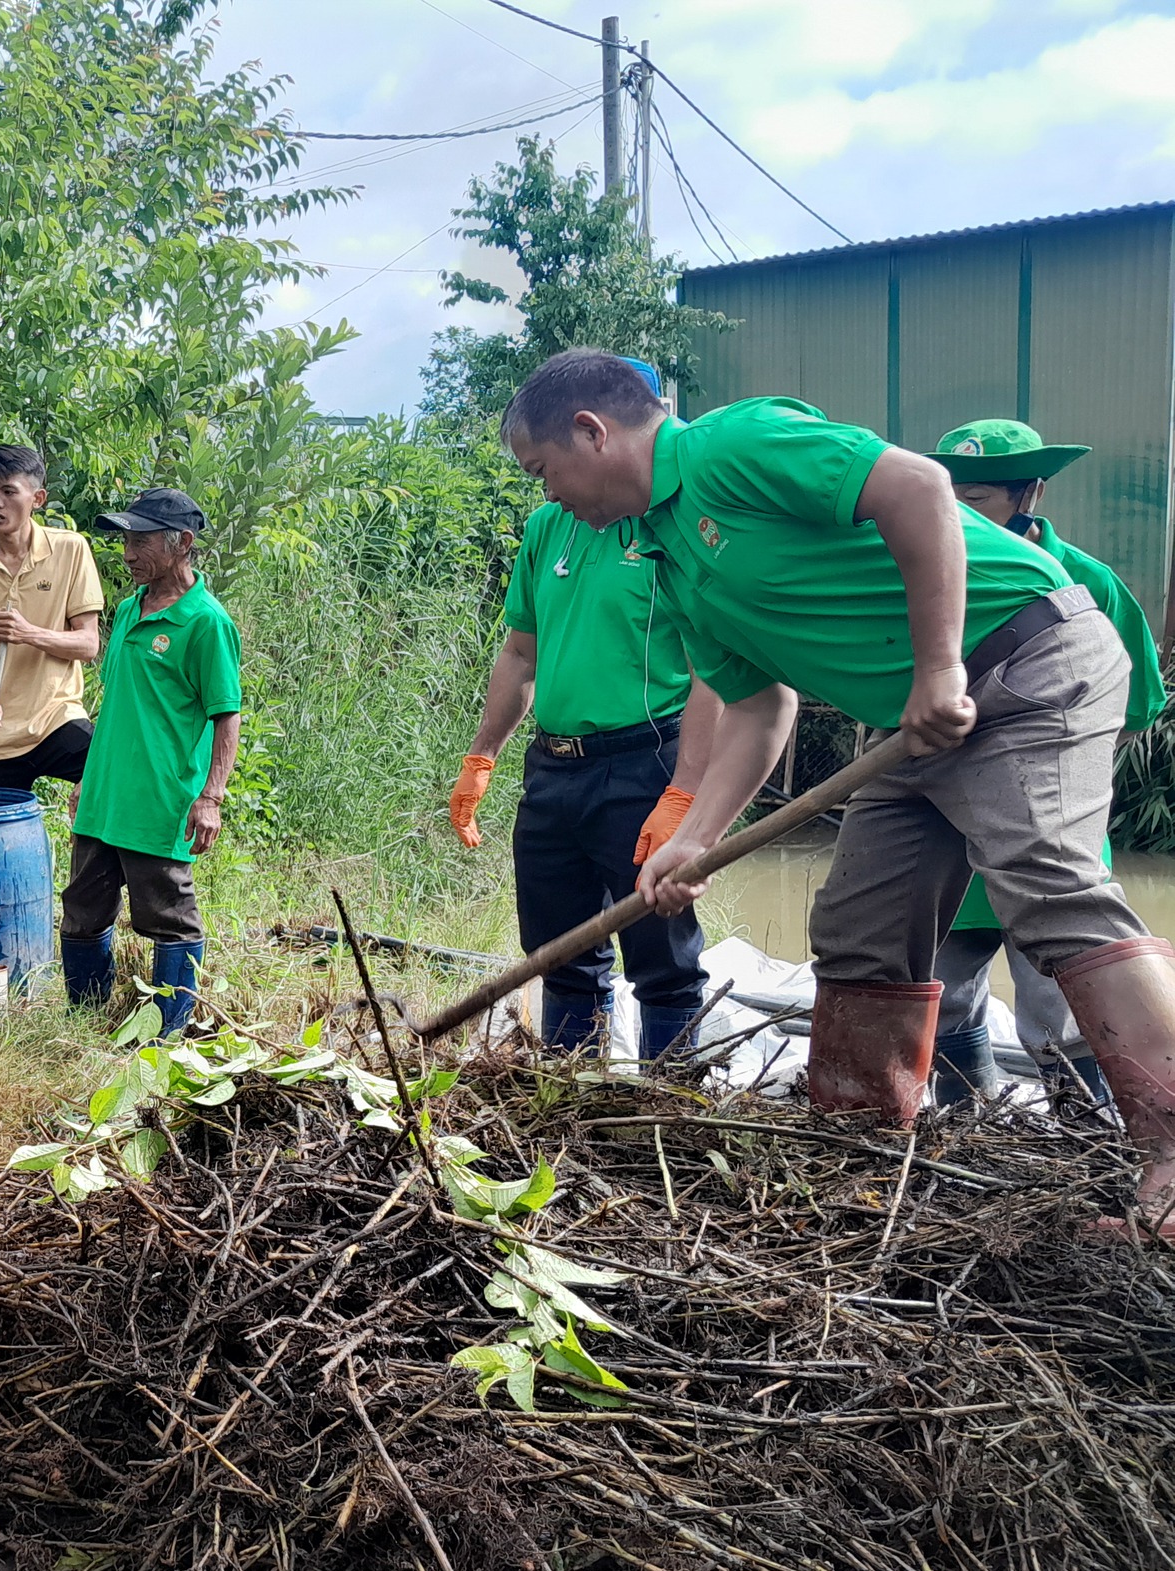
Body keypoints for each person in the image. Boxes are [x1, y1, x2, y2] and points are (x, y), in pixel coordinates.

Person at [506, 348, 1175, 1234]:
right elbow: (755, 704)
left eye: (544, 471)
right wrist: (695, 834)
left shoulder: (731, 446)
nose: (549, 495)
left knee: (1048, 889)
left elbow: (920, 491)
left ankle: (1169, 1159)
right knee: (860, 926)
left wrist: (939, 666)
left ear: (591, 433)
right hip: (913, 727)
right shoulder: (665, 554)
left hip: (1024, 661)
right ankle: (861, 1155)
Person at [452, 359, 717, 1060]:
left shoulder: (671, 528)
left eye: (547, 468)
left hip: (644, 763)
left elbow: (717, 676)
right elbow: (519, 657)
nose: (549, 486)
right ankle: (572, 1101)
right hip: (555, 768)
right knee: (558, 952)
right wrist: (483, 755)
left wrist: (685, 793)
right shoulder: (549, 528)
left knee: (663, 957)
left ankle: (674, 1108)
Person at [924, 418, 1167, 1104]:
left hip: (1049, 829)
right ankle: (969, 1138)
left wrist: (1047, 763)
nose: (959, 516)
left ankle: (1089, 1157)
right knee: (943, 997)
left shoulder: (1087, 583)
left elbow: (1136, 704)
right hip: (946, 829)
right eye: (948, 499)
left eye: (976, 501)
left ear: (1030, 493)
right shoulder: (917, 576)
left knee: (1067, 1007)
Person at [61, 488, 241, 1036]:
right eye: (125, 539)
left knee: (169, 919)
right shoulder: (127, 609)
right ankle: (86, 1020)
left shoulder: (206, 623)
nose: (128, 552)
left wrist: (210, 797)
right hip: (104, 796)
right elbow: (116, 705)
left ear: (182, 543)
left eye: (141, 540)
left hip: (161, 801)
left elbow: (225, 715)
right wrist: (89, 779)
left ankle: (166, 1035)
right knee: (82, 911)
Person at [0, 444, 105, 801]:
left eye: (8, 491)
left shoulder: (70, 549)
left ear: (38, 498)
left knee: (112, 769)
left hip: (56, 717)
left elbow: (88, 645)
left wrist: (29, 633)